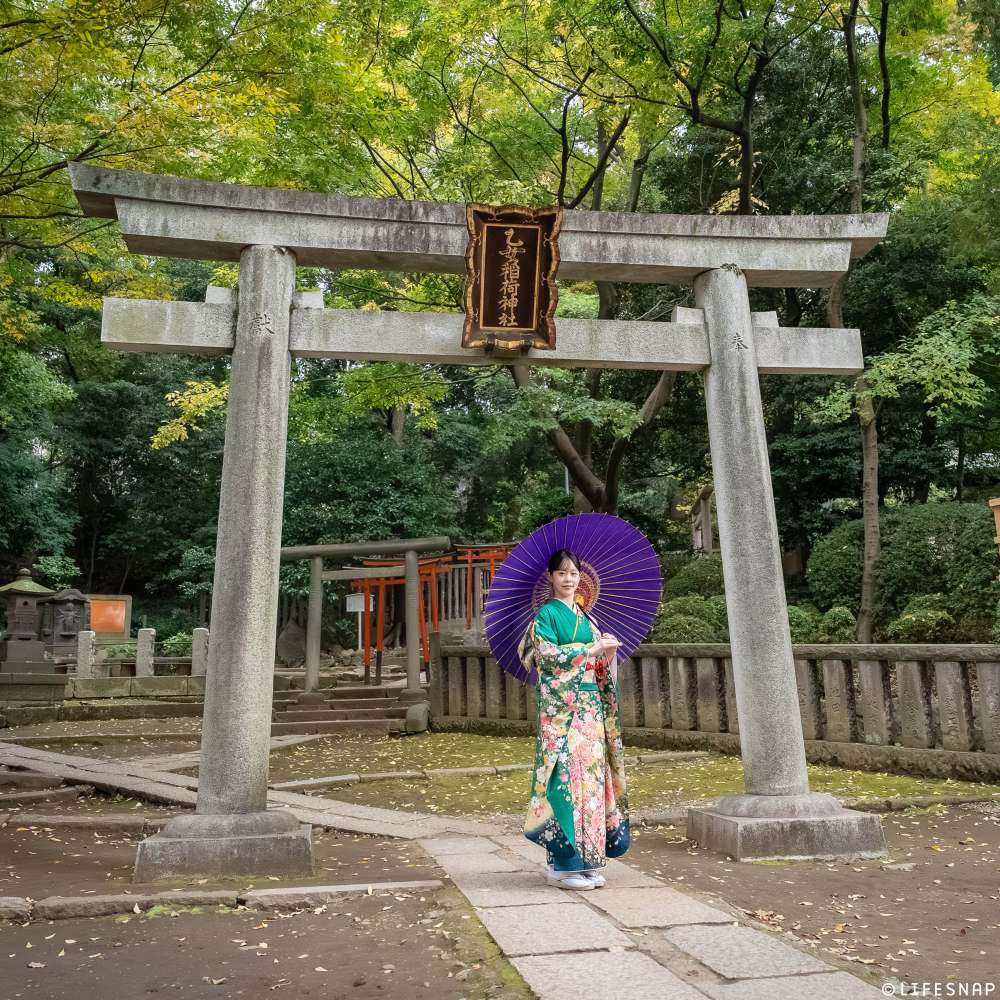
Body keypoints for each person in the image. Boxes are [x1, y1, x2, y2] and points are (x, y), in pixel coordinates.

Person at [522, 548, 631, 890]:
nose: (569, 579)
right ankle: (561, 865)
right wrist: (588, 650)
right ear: (551, 578)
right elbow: (547, 657)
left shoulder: (586, 616)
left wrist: (606, 653)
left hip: (591, 712)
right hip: (562, 714)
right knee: (565, 781)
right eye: (562, 573)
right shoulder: (546, 616)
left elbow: (598, 664)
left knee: (592, 784)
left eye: (573, 573)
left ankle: (588, 861)